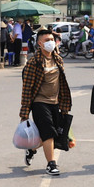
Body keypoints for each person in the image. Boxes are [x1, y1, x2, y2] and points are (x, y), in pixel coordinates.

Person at [20, 28, 72, 176]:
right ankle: (51, 164)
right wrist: (24, 113)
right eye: (47, 40)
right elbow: (27, 89)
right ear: (39, 43)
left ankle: (32, 149)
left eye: (52, 40)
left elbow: (62, 84)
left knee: (52, 134)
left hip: (55, 102)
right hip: (39, 102)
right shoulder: (33, 63)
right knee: (48, 133)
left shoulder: (58, 59)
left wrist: (64, 106)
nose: (50, 43)